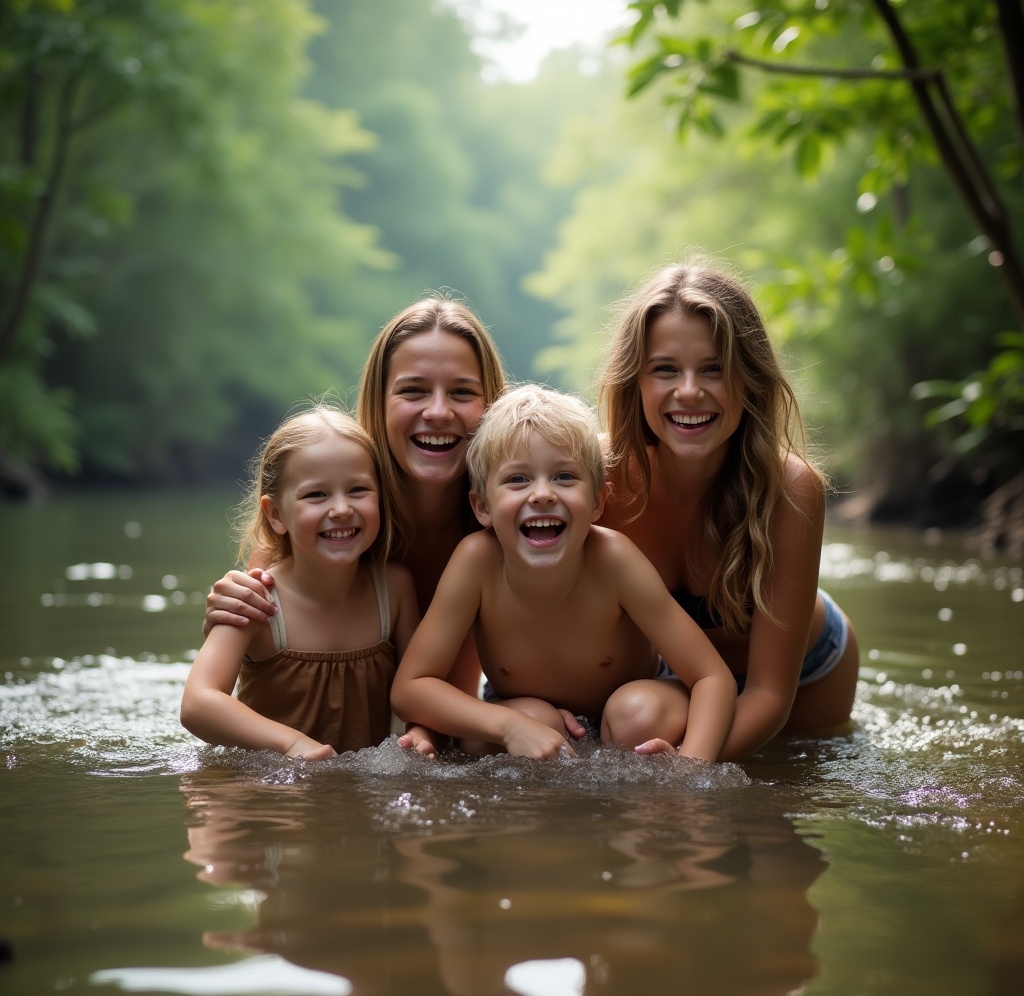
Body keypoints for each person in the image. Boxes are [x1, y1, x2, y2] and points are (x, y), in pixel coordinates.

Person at [596, 261, 860, 763]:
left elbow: (769, 696)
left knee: (775, 801)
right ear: (636, 381)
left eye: (714, 368)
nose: (690, 390)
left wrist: (690, 781)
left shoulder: (791, 487)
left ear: (750, 380)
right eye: (666, 369)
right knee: (634, 719)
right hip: (679, 678)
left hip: (802, 676)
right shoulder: (597, 478)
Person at [389, 383, 737, 762]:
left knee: (634, 714)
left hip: (637, 704)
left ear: (598, 501)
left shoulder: (614, 559)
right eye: (518, 479)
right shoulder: (476, 563)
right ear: (482, 507)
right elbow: (410, 688)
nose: (542, 494)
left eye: (564, 477)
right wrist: (507, 726)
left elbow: (711, 677)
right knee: (509, 728)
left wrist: (693, 769)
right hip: (527, 712)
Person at [200, 296, 507, 708]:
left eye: (462, 392)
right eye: (413, 391)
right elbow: (250, 678)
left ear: (492, 405)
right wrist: (231, 608)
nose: (437, 411)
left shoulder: (511, 521)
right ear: (378, 404)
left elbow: (455, 710)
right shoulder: (325, 516)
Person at [179, 402, 430, 760]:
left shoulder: (393, 590)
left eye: (358, 490)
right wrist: (291, 743)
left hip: (356, 798)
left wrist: (421, 732)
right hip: (272, 792)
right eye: (317, 494)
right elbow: (197, 704)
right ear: (277, 515)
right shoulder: (256, 599)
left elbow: (420, 688)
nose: (342, 509)